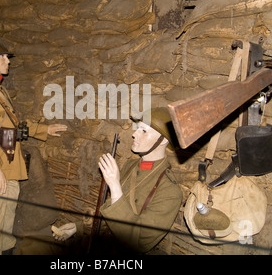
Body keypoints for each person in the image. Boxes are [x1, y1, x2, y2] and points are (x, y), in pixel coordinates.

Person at [0, 39, 67, 255]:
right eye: (3, 57)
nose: (7, 61)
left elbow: (12, 124)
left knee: (7, 223)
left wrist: (44, 130)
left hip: (10, 163)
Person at [53, 107, 182, 254]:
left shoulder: (169, 191)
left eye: (144, 131)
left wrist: (114, 185)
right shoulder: (130, 166)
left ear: (163, 140)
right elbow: (112, 218)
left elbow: (140, 242)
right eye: (137, 128)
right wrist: (79, 227)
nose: (135, 134)